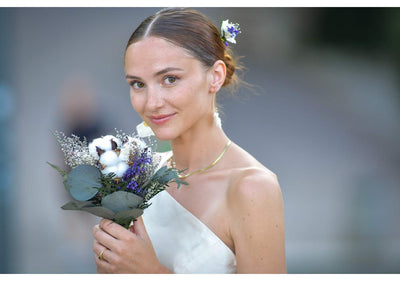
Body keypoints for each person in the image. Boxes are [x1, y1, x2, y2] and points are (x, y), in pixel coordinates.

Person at [92, 8, 286, 274]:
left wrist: (151, 272)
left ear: (215, 76)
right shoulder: (138, 178)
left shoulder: (251, 188)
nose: (152, 103)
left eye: (170, 79)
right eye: (138, 84)